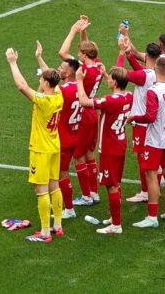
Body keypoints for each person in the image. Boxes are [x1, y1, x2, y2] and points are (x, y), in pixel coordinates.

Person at [6, 48, 64, 243]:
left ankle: (45, 232)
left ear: (46, 83)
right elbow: (52, 76)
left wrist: (13, 62)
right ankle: (58, 225)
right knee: (54, 186)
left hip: (41, 149)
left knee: (41, 190)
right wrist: (40, 58)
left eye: (41, 80)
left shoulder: (45, 100)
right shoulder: (59, 95)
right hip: (55, 146)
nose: (39, 82)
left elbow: (22, 86)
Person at [127, 57, 165, 228]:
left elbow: (150, 117)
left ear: (155, 68)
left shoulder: (153, 91)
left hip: (155, 139)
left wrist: (133, 117)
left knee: (152, 175)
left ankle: (152, 217)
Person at [76, 66, 133, 234]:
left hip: (110, 147)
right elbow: (117, 87)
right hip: (120, 142)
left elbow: (84, 102)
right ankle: (115, 218)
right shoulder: (129, 95)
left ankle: (116, 226)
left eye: (110, 79)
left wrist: (79, 80)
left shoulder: (110, 101)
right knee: (116, 183)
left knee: (111, 185)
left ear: (115, 82)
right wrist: (106, 74)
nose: (107, 80)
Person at [58, 16, 104, 206]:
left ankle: (86, 196)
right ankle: (94, 192)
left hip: (83, 115)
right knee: (89, 154)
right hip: (92, 113)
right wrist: (84, 32)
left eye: (80, 53)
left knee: (78, 156)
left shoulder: (82, 72)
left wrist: (74, 30)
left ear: (84, 56)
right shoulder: (98, 66)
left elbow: (63, 52)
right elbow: (87, 49)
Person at [36, 41, 81, 219]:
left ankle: (68, 209)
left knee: (61, 175)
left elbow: (51, 81)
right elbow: (52, 76)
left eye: (62, 68)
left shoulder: (63, 91)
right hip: (74, 133)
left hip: (62, 138)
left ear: (69, 72)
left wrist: (40, 58)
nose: (59, 70)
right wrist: (39, 58)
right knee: (62, 173)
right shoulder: (79, 86)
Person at [120, 39, 160, 203]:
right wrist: (130, 55)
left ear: (147, 55)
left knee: (143, 159)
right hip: (152, 121)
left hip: (141, 123)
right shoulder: (155, 72)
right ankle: (154, 186)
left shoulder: (144, 75)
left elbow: (120, 73)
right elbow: (139, 70)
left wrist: (122, 54)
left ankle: (146, 192)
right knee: (151, 157)